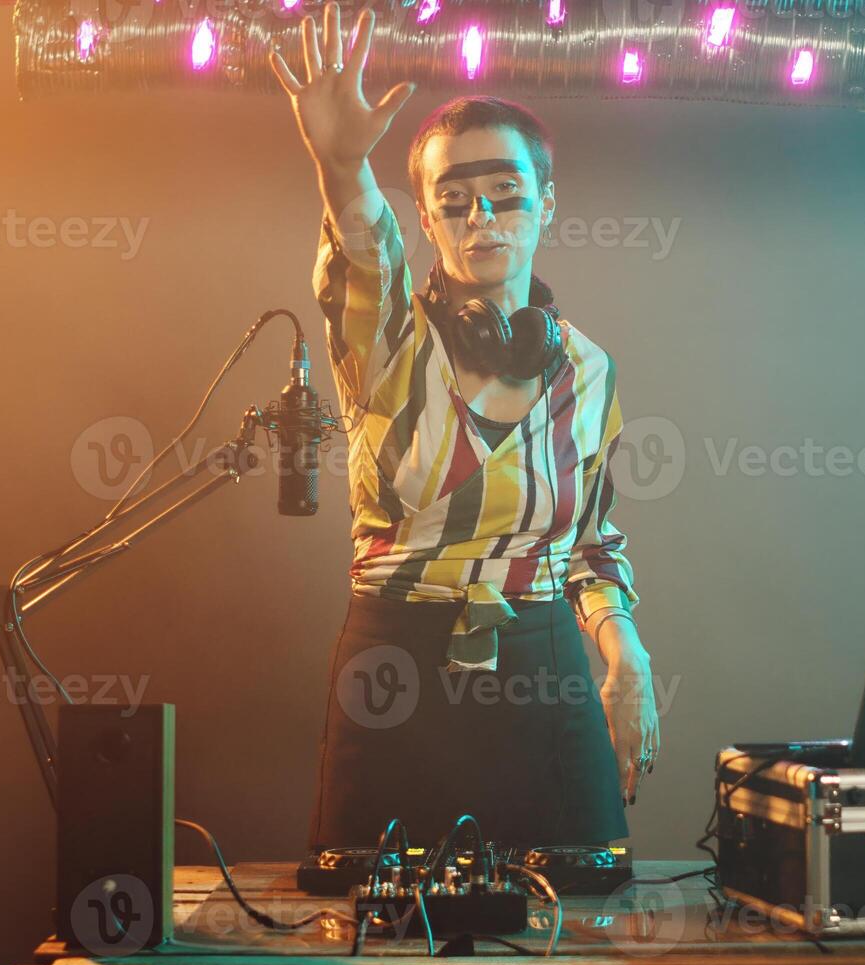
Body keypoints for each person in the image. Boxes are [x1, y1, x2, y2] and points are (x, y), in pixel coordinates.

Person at [272, 2, 659, 851]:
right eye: (453, 202)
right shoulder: (384, 345)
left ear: (546, 203)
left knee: (578, 910)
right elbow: (364, 249)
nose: (480, 218)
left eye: (504, 195)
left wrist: (624, 657)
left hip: (544, 667)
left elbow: (592, 543)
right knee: (379, 923)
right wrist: (342, 169)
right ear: (426, 218)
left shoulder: (588, 372)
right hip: (395, 672)